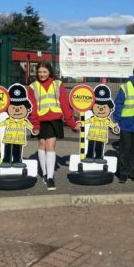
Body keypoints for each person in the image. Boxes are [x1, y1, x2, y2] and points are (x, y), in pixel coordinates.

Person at [28, 61, 79, 191]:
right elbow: (32, 108)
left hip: (54, 120)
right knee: (42, 145)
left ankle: (50, 177)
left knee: (50, 146)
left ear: (50, 71)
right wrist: (35, 124)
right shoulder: (33, 87)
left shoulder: (58, 84)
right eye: (39, 72)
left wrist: (72, 123)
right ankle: (44, 173)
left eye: (44, 71)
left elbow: (65, 105)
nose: (42, 74)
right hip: (40, 121)